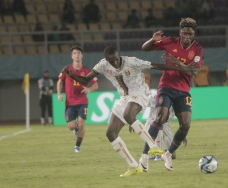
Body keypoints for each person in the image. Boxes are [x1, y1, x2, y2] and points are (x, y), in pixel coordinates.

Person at [63, 46, 198, 177]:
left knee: (128, 114)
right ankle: (134, 166)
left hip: (140, 93)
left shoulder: (131, 61)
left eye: (117, 59)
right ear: (107, 61)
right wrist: (71, 75)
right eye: (112, 61)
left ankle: (153, 146)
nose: (115, 63)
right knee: (110, 133)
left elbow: (156, 65)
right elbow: (85, 80)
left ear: (119, 56)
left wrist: (181, 68)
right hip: (124, 98)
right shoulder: (103, 65)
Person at [140, 17, 203, 171]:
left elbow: (194, 72)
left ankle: (168, 154)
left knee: (186, 125)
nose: (187, 36)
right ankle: (144, 156)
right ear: (180, 32)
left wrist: (176, 62)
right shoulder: (169, 42)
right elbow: (145, 48)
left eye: (190, 34)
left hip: (183, 91)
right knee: (160, 117)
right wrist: (152, 39)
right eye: (185, 33)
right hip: (166, 86)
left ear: (194, 34)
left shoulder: (198, 50)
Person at [57, 44, 98, 153]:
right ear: (72, 56)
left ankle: (77, 146)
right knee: (71, 126)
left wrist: (89, 89)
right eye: (74, 53)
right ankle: (74, 129)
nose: (77, 55)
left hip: (82, 102)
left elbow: (96, 85)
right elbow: (60, 81)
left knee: (81, 124)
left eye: (79, 53)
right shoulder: (67, 69)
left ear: (82, 55)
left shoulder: (87, 71)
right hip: (69, 102)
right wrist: (59, 94)